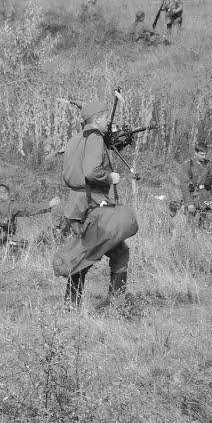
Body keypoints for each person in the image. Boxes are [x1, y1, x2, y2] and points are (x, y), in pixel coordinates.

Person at [53, 100, 138, 308]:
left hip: (77, 204)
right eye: (106, 118)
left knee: (89, 251)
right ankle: (115, 304)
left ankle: (72, 305)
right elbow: (92, 171)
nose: (108, 122)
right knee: (103, 253)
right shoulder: (95, 138)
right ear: (98, 119)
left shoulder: (76, 138)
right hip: (92, 203)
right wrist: (110, 177)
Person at [182, 141, 212, 223]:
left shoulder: (208, 164)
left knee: (205, 225)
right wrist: (189, 203)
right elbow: (184, 185)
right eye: (202, 155)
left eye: (205, 155)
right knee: (190, 224)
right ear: (196, 153)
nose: (204, 157)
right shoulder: (189, 165)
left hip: (206, 197)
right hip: (193, 197)